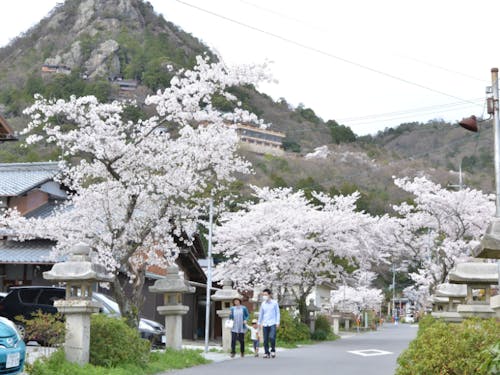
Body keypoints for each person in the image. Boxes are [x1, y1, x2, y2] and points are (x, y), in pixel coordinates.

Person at [258, 288, 280, 359]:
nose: (264, 296)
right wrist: (259, 322)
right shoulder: (263, 304)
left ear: (269, 295)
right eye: (263, 295)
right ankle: (266, 352)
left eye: (266, 295)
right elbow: (261, 314)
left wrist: (277, 322)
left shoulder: (274, 303)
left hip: (272, 323)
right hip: (265, 323)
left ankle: (273, 350)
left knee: (272, 337)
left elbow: (277, 313)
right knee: (265, 339)